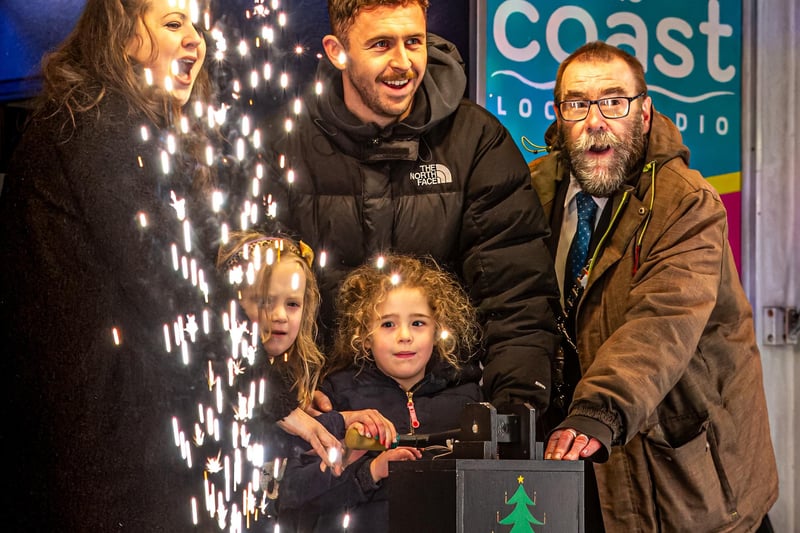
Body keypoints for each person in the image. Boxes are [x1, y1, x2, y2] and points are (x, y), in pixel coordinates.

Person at [529, 41, 778, 532]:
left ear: (644, 113)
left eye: (614, 101)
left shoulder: (686, 204)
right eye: (578, 103)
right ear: (559, 118)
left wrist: (598, 409)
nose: (596, 121)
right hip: (580, 471)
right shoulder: (533, 192)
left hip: (690, 487)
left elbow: (662, 323)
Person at [264, 0, 559, 411]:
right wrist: (282, 394)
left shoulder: (476, 139)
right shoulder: (285, 144)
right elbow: (257, 296)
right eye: (382, 44)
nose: (403, 63)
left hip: (452, 409)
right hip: (329, 416)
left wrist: (513, 416)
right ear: (337, 51)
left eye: (414, 42)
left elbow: (517, 295)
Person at [0, 0, 218, 529]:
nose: (195, 40)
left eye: (195, 24)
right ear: (121, 38)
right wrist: (271, 395)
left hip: (106, 444)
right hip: (98, 457)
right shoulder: (98, 128)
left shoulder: (117, 127)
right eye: (173, 23)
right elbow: (167, 287)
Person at [277, 253, 483, 532]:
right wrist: (369, 473)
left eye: (418, 323)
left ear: (438, 331)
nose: (404, 336)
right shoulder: (337, 401)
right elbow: (295, 492)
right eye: (388, 324)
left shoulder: (467, 403)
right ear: (364, 337)